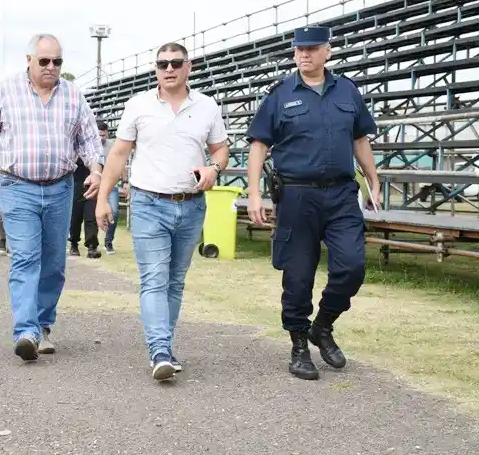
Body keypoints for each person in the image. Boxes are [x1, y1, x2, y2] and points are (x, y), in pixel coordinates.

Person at [244, 25, 379, 381]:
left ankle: (323, 325)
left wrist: (373, 180)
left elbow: (360, 139)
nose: (304, 54)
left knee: (351, 267)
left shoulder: (347, 91)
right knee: (298, 275)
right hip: (297, 196)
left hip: (340, 194)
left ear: (327, 52)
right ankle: (299, 345)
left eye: (312, 48)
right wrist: (254, 192)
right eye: (299, 49)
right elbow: (258, 144)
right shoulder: (279, 94)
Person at [96, 42, 229, 381]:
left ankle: (164, 346)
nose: (168, 69)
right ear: (155, 69)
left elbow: (221, 150)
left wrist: (213, 168)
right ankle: (159, 350)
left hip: (191, 205)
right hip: (148, 203)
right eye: (161, 64)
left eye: (175, 63)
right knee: (154, 279)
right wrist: (102, 197)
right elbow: (118, 155)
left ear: (189, 66)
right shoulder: (138, 105)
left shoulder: (207, 106)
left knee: (175, 281)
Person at [0, 33, 103, 362]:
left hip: (60, 188)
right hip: (17, 186)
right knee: (26, 258)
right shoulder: (5, 90)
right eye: (43, 60)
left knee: (54, 264)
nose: (50, 67)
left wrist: (96, 170)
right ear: (28, 60)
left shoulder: (73, 95)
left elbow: (88, 138)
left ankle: (43, 325)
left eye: (57, 61)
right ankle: (25, 331)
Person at [97, 120, 128, 255]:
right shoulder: (90, 146)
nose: (101, 138)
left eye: (104, 135)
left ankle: (108, 242)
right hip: (94, 184)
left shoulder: (112, 146)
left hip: (111, 185)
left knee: (114, 213)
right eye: (99, 135)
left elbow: (120, 163)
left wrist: (125, 182)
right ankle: (91, 243)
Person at [68, 157, 102, 259]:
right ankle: (74, 244)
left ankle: (92, 246)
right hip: (75, 183)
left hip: (91, 184)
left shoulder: (94, 148)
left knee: (91, 215)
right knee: (75, 216)